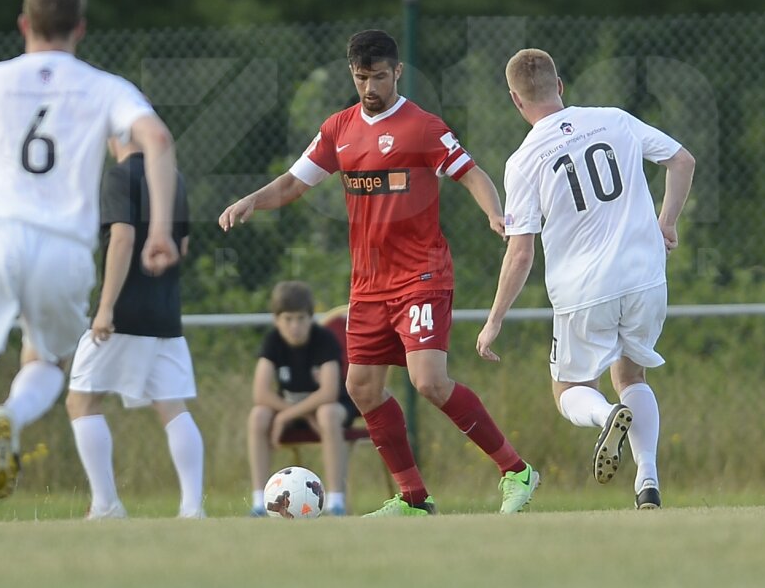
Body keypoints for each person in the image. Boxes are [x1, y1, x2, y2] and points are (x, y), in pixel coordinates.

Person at [220, 29, 539, 516]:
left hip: (422, 275)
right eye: (360, 77)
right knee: (361, 388)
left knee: (429, 380)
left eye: (379, 77)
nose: (369, 87)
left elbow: (471, 172)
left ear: (398, 73)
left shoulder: (423, 127)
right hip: (368, 284)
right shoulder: (338, 129)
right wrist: (252, 200)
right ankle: (413, 498)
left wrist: (493, 213)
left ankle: (516, 471)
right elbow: (292, 183)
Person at [0, 0, 180, 531]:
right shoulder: (105, 87)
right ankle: (11, 414)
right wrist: (157, 230)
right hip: (63, 247)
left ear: (23, 25)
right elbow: (156, 139)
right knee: (48, 363)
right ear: (80, 28)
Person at [476, 48, 695, 511]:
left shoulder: (524, 160)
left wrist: (494, 319)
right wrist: (668, 222)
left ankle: (605, 416)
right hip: (645, 276)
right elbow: (682, 161)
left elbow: (520, 252)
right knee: (631, 372)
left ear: (516, 100)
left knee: (569, 390)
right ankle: (648, 482)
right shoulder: (613, 119)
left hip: (583, 291)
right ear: (560, 86)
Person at [64, 135, 204, 519]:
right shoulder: (172, 176)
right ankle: (193, 508)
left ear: (116, 136)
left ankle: (106, 504)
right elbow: (184, 245)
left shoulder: (119, 176)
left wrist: (106, 307)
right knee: (172, 407)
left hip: (125, 311)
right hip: (165, 312)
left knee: (82, 399)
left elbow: (122, 237)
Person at [248, 284, 356, 517]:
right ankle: (259, 502)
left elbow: (328, 392)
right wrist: (296, 413)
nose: (295, 326)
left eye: (300, 318)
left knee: (326, 413)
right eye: (288, 319)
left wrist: (287, 416)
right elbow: (260, 393)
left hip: (331, 409)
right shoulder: (273, 341)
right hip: (296, 409)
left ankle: (336, 502)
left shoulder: (324, 339)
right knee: (259, 415)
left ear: (310, 318)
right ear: (276, 320)